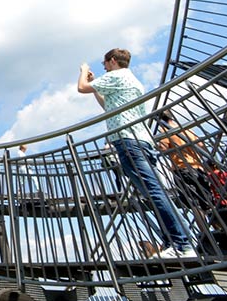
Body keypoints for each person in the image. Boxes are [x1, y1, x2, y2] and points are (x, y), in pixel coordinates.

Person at [78, 49, 194, 259]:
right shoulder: (131, 79)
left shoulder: (116, 75)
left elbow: (81, 87)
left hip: (128, 141)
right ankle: (177, 242)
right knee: (155, 192)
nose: (103, 67)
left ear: (113, 61)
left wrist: (83, 70)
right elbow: (108, 106)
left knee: (155, 193)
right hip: (142, 140)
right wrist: (97, 88)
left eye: (105, 63)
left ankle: (181, 244)